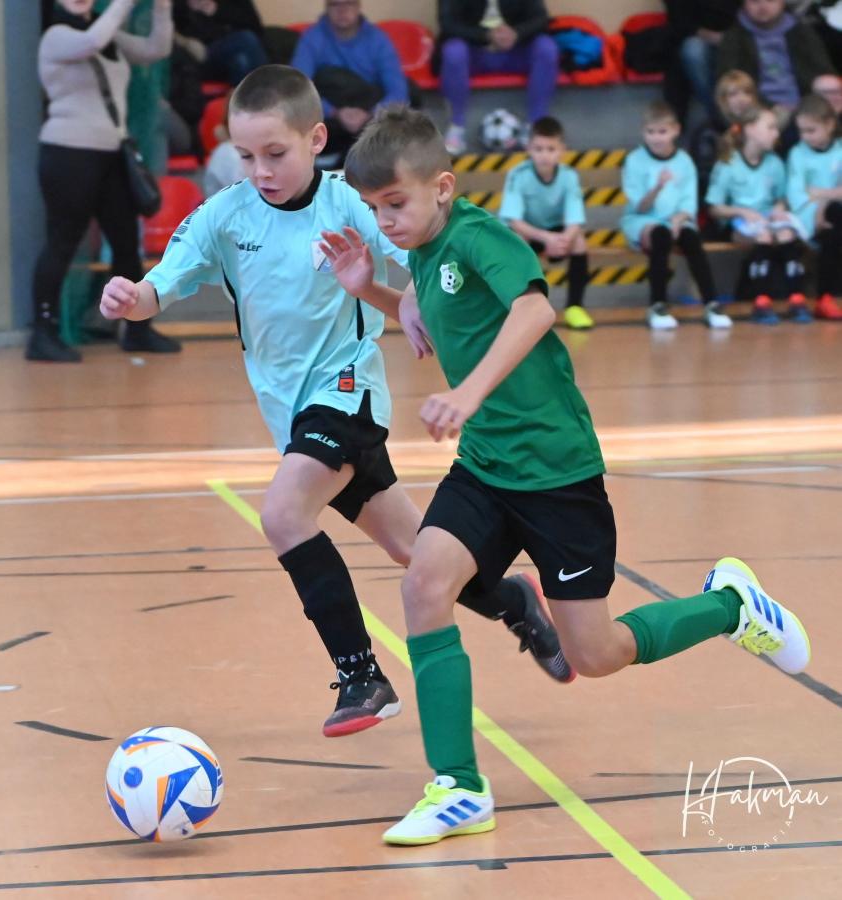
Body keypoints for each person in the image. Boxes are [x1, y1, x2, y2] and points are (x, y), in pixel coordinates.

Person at [321, 106, 811, 845]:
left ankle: (730, 606)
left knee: (597, 654)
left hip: (557, 474)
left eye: (395, 204)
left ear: (443, 187)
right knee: (423, 585)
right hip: (486, 466)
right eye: (374, 208)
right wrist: (373, 291)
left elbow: (533, 312)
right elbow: (453, 324)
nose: (385, 221)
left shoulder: (478, 236)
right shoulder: (422, 247)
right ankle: (458, 786)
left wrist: (466, 393)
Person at [99, 66, 572, 739]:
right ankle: (513, 601)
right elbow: (159, 288)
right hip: (292, 416)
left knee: (283, 514)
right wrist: (131, 298)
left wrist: (414, 300)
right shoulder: (225, 215)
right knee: (416, 551)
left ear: (316, 139)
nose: (261, 170)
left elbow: (419, 251)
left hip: (347, 392)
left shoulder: (350, 203)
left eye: (275, 153)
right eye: (245, 156)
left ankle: (361, 675)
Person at [29, 0, 179, 363]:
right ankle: (43, 333)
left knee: (126, 242)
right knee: (63, 240)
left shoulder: (107, 31)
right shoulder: (56, 36)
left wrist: (162, 8)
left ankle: (138, 328)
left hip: (112, 153)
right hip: (68, 153)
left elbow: (156, 49)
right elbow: (92, 41)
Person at [621, 102, 732, 330]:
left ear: (675, 130)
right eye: (651, 132)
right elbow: (640, 207)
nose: (656, 138)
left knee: (692, 240)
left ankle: (711, 303)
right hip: (642, 220)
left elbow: (688, 203)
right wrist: (657, 187)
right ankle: (657, 305)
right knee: (660, 236)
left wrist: (680, 219)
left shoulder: (684, 161)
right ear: (643, 132)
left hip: (676, 220)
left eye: (662, 132)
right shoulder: (634, 160)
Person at [706, 103, 810, 323]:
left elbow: (782, 197)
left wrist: (779, 208)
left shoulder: (774, 163)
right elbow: (714, 208)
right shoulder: (728, 164)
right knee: (762, 237)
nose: (776, 133)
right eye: (770, 127)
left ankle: (796, 298)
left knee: (786, 234)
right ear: (750, 129)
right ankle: (760, 300)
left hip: (767, 218)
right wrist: (741, 211)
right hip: (738, 221)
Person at [497, 116, 592, 329]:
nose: (544, 155)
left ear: (562, 150)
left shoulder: (569, 176)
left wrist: (564, 240)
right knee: (517, 240)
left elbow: (575, 219)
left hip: (555, 234)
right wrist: (546, 238)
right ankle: (521, 307)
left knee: (579, 241)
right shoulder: (517, 174)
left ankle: (575, 307)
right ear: (529, 149)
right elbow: (513, 220)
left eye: (551, 149)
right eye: (538, 149)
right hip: (529, 232)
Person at [292, 0, 409, 165]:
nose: (342, 10)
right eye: (335, 4)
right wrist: (334, 112)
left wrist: (370, 114)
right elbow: (298, 87)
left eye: (349, 3)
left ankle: (344, 158)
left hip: (369, 112)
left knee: (401, 110)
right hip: (329, 113)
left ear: (359, 6)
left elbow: (398, 91)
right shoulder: (312, 37)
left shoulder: (378, 39)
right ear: (326, 7)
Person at [436, 0, 559, 154]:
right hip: (474, 52)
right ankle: (456, 127)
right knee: (453, 51)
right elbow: (448, 23)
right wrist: (486, 35)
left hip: (515, 51)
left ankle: (535, 126)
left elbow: (541, 19)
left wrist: (517, 33)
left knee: (546, 48)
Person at [717, 0, 835, 116]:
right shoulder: (734, 37)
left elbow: (823, 70)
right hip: (756, 110)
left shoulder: (801, 31)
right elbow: (728, 82)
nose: (763, 6)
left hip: (806, 107)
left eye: (771, 0)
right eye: (755, 1)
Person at [787, 92, 842, 318]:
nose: (805, 137)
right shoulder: (797, 154)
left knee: (833, 227)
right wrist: (829, 198)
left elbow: (816, 192)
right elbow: (797, 195)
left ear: (829, 125)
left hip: (831, 214)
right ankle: (825, 297)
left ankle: (826, 297)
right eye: (801, 131)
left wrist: (822, 195)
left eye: (811, 130)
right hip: (808, 217)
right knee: (834, 219)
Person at [662, 0, 740, 126]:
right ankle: (721, 116)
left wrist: (731, 38)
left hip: (738, 35)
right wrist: (713, 37)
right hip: (694, 38)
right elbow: (679, 21)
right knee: (692, 50)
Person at [172, 0, 268, 86]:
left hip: (236, 50)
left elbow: (256, 27)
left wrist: (217, 9)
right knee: (246, 39)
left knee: (241, 59)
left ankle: (243, 95)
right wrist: (188, 6)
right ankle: (266, 90)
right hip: (200, 54)